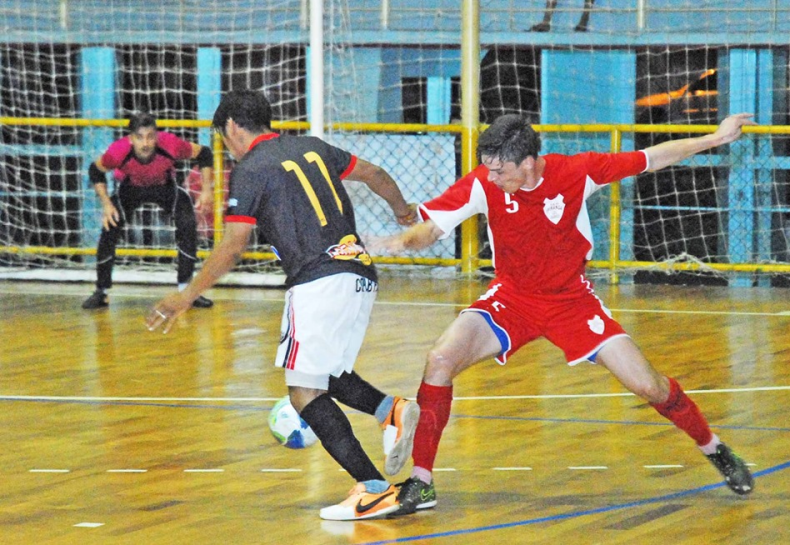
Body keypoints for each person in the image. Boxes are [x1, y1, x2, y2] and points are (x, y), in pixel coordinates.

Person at [372, 113, 757, 516]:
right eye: (488, 168)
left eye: (501, 171)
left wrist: (714, 138)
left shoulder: (577, 171)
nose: (493, 177)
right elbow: (431, 229)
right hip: (512, 298)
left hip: (571, 301)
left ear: (528, 162)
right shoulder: (484, 183)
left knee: (649, 386)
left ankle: (714, 448)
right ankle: (421, 482)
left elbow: (652, 157)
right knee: (439, 360)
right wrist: (400, 241)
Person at [145, 90, 421, 521]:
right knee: (327, 375)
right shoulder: (313, 146)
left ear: (233, 127)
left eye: (224, 137)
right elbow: (375, 174)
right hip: (360, 274)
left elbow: (234, 246)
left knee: (304, 392)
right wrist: (403, 212)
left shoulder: (251, 168)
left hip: (317, 280)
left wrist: (186, 295)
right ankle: (392, 410)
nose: (226, 145)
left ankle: (374, 489)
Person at [82, 112, 214, 310]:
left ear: (157, 136)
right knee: (109, 228)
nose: (145, 143)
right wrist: (107, 204)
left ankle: (187, 291)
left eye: (150, 137)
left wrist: (206, 190)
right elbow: (95, 170)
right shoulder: (118, 151)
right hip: (131, 188)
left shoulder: (171, 144)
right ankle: (101, 292)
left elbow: (205, 154)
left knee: (187, 223)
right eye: (139, 137)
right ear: (131, 138)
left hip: (165, 187)